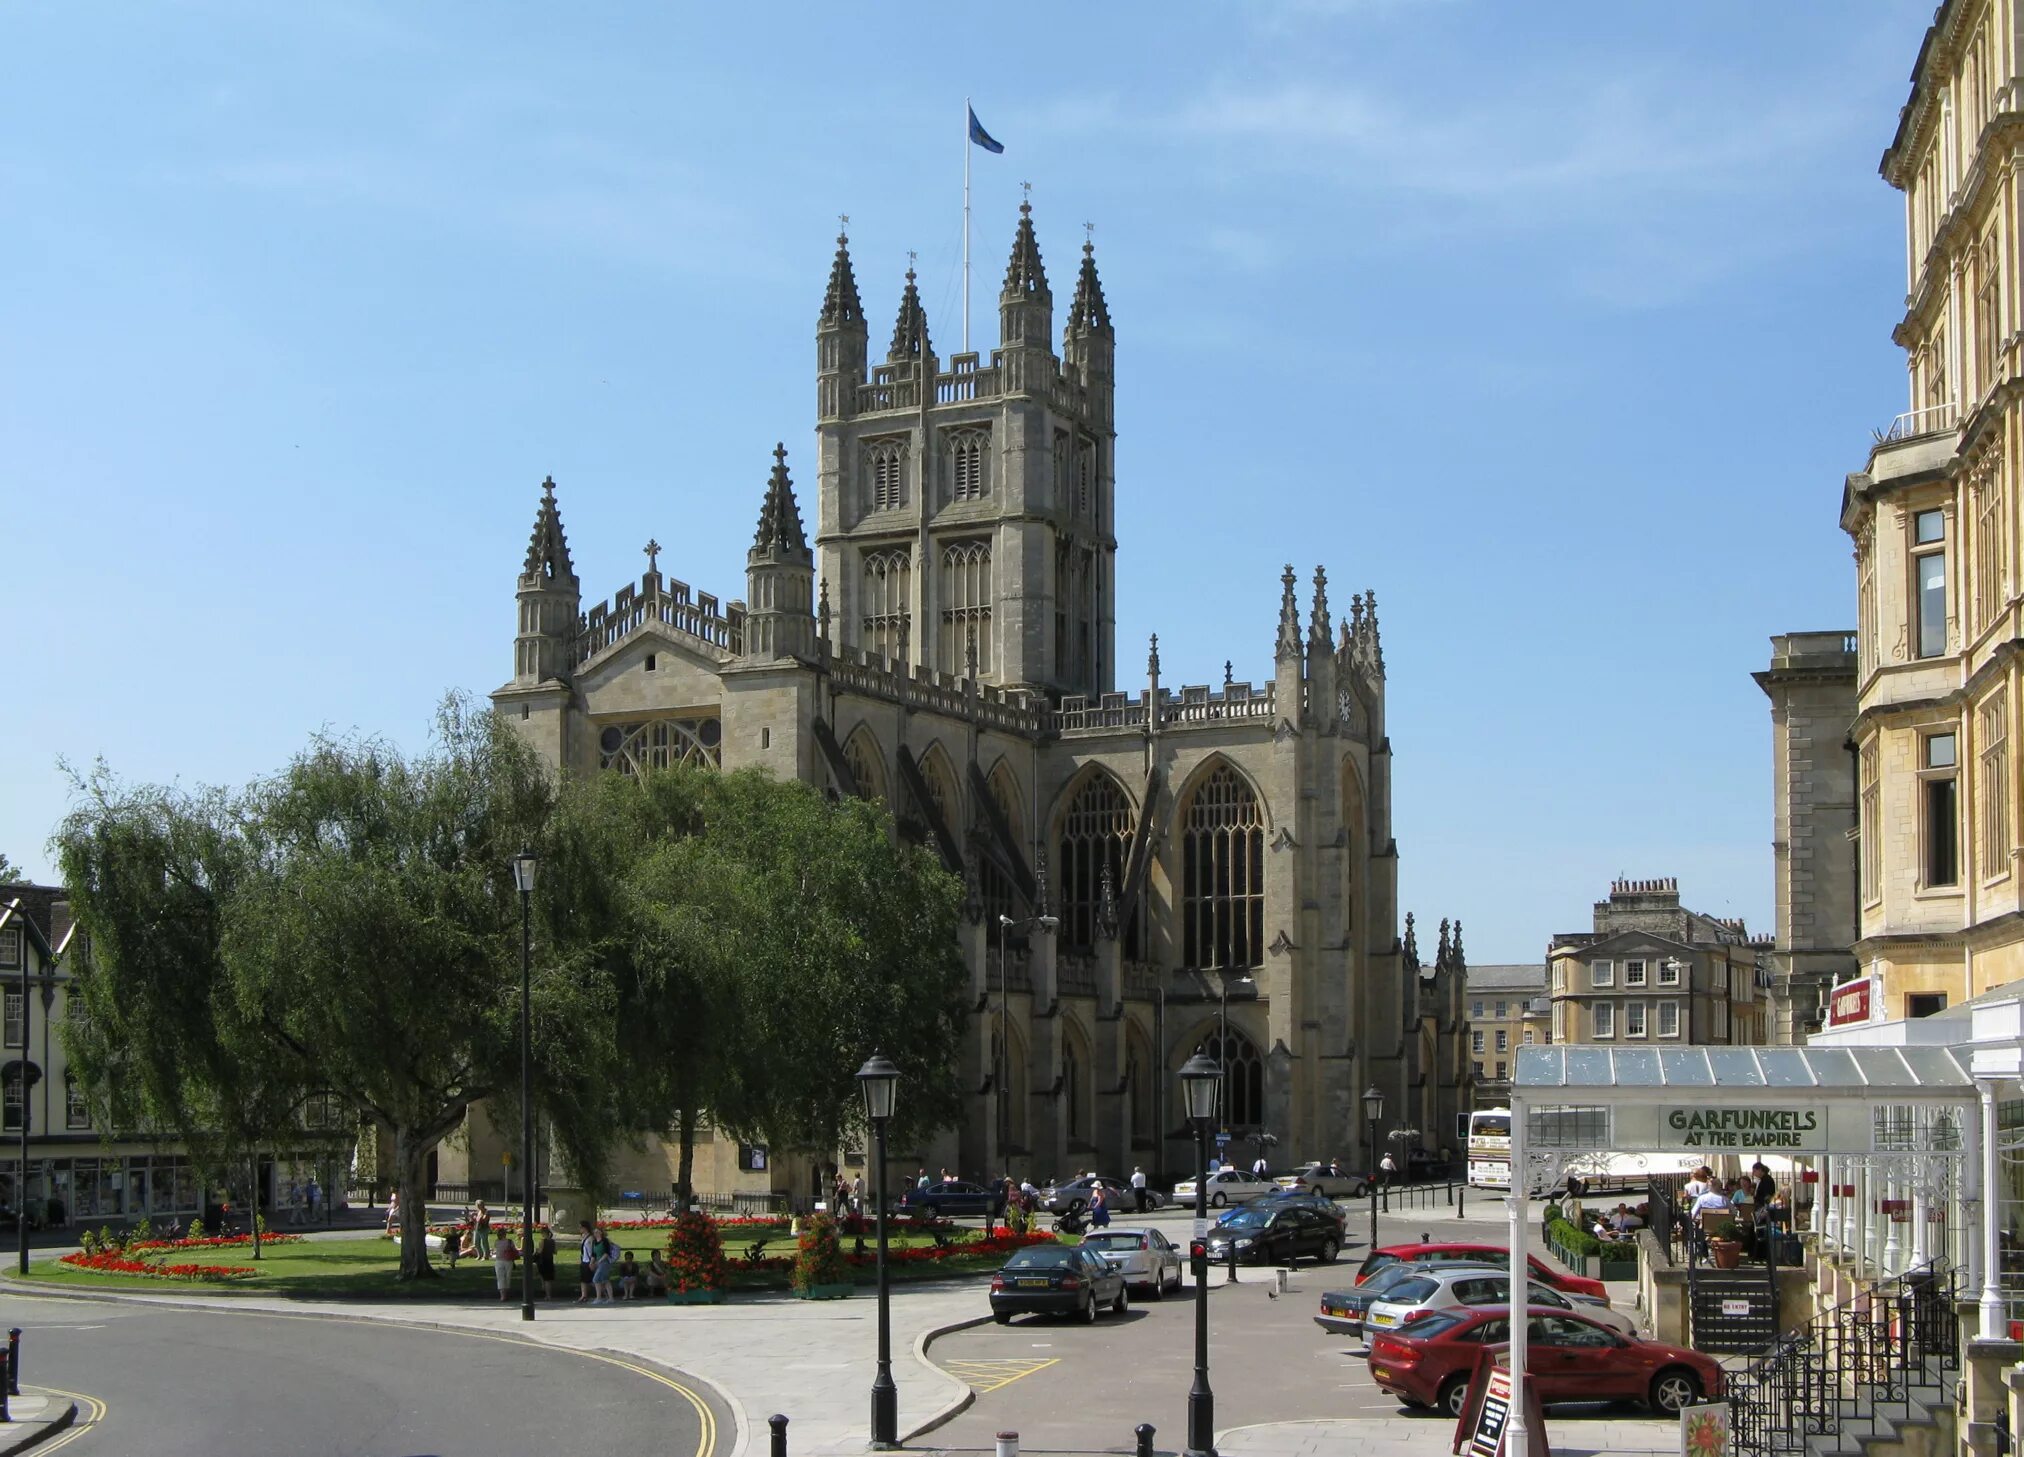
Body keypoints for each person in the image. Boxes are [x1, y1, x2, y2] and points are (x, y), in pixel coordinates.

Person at [591, 1224, 618, 1304]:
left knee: (596, 1279)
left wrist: (599, 1261)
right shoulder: (594, 1242)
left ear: (601, 1233)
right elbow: (593, 1254)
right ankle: (611, 1298)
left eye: (597, 1232)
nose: (596, 1234)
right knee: (605, 1280)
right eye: (595, 1232)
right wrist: (591, 1262)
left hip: (604, 1262)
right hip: (598, 1262)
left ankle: (599, 1298)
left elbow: (606, 1253)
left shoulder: (605, 1241)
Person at [492, 1229, 519, 1301]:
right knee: (507, 1277)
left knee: (500, 1278)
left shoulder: (496, 1242)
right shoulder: (509, 1242)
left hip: (499, 1261)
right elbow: (514, 1250)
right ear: (505, 1234)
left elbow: (496, 1250)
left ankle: (502, 1295)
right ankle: (506, 1294)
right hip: (508, 1261)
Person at [577, 1219, 598, 1304]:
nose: (579, 1229)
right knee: (583, 1279)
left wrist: (592, 1262)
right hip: (584, 1260)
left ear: (585, 1228)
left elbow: (593, 1251)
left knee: (592, 1280)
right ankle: (584, 1295)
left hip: (589, 1261)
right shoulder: (583, 1236)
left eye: (580, 1227)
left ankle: (603, 1293)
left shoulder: (591, 1238)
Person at [536, 1227, 558, 1300]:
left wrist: (537, 1250)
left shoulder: (542, 1241)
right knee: (548, 1279)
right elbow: (555, 1252)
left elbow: (540, 1251)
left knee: (545, 1279)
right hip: (550, 1260)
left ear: (543, 1233)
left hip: (543, 1260)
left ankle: (547, 1294)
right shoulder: (552, 1241)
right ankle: (547, 1293)